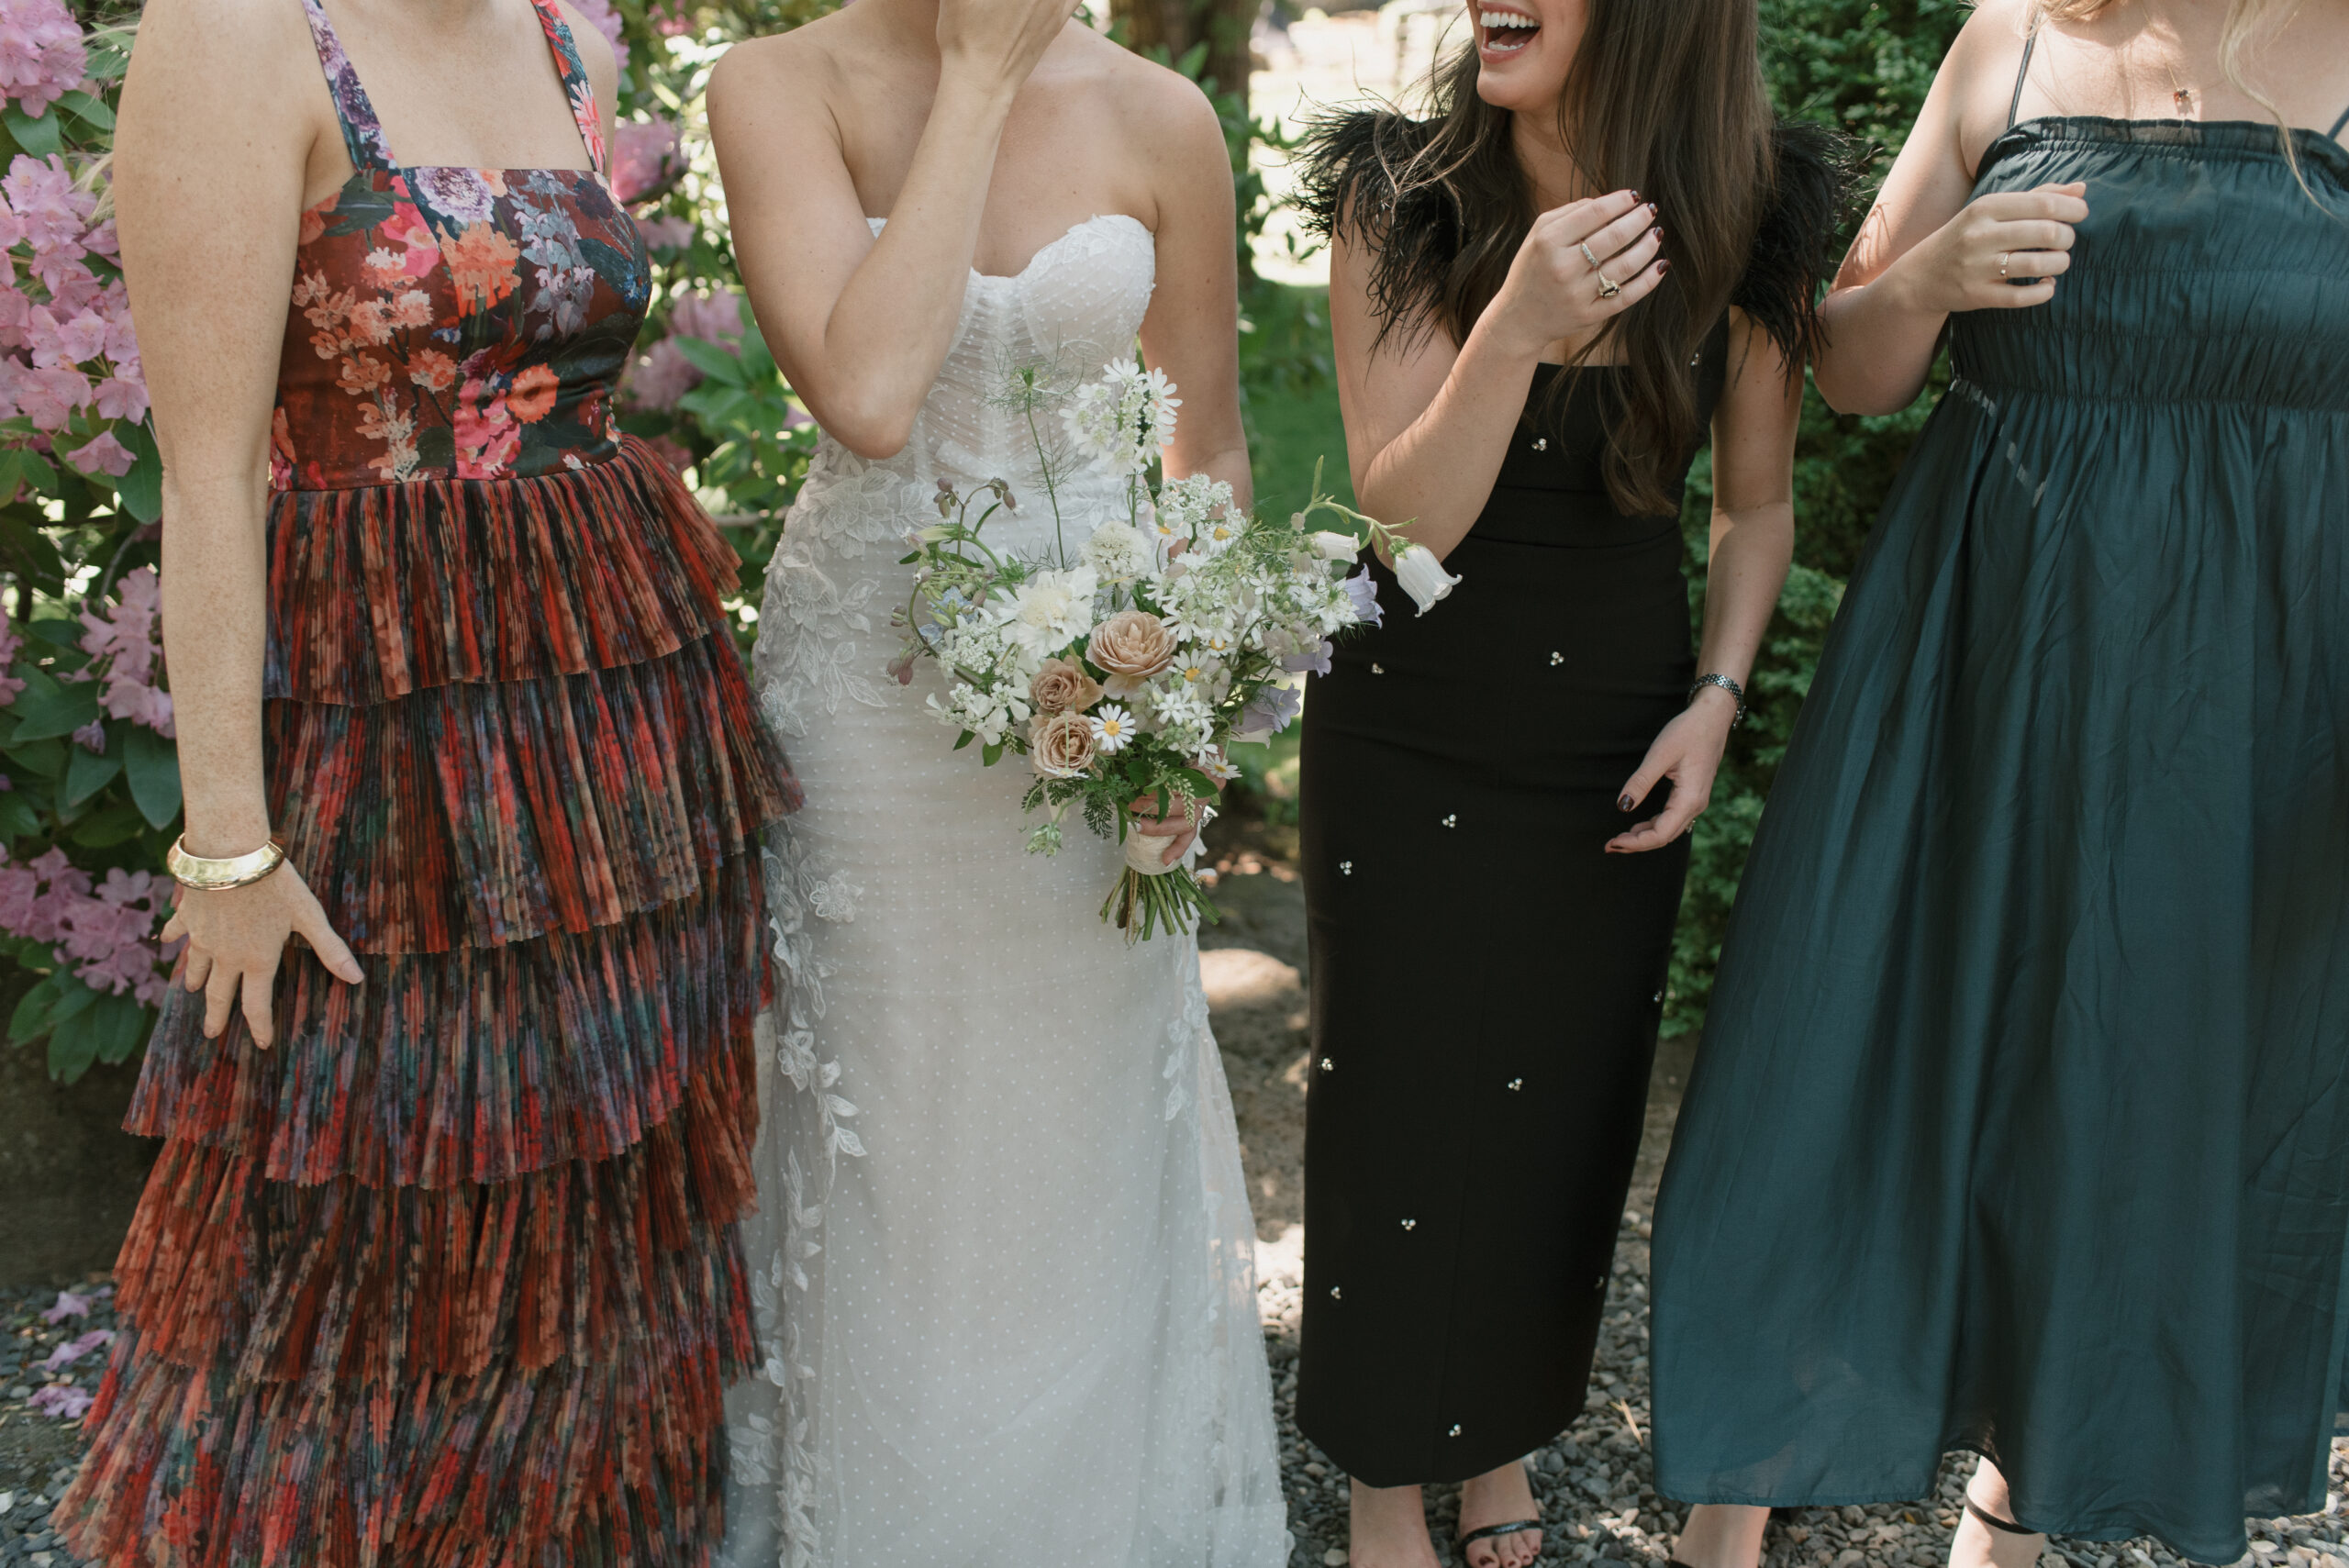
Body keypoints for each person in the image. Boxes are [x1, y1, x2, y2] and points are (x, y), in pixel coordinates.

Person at [54, 1, 799, 1563]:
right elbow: (204, 475)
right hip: (378, 726)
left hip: (610, 725)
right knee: (358, 1210)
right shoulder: (240, 35)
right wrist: (230, 846)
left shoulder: (567, 33)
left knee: (600, 1181)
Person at [1650, 0, 2349, 1562]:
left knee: (2140, 1076)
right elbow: (1849, 372)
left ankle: (2010, 1522)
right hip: (1991, 645)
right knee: (1847, 1039)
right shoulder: (2012, 43)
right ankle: (1727, 1516)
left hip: (2258, 692)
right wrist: (1931, 276)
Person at [704, 1, 1288, 1563]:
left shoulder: (1164, 115)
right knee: (891, 1149)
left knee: (1081, 1137)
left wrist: (1184, 711)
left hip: (1104, 719)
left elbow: (1208, 453)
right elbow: (870, 394)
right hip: (872, 729)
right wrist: (973, 80)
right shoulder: (777, 87)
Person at [1287, 0, 1845, 1560]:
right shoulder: (1405, 194)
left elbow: (1753, 510)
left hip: (1615, 727)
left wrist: (1721, 695)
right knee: (1395, 1098)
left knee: (1557, 1105)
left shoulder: (1746, 218)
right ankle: (1388, 1480)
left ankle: (1499, 1443)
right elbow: (1404, 527)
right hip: (1406, 717)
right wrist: (1517, 327)